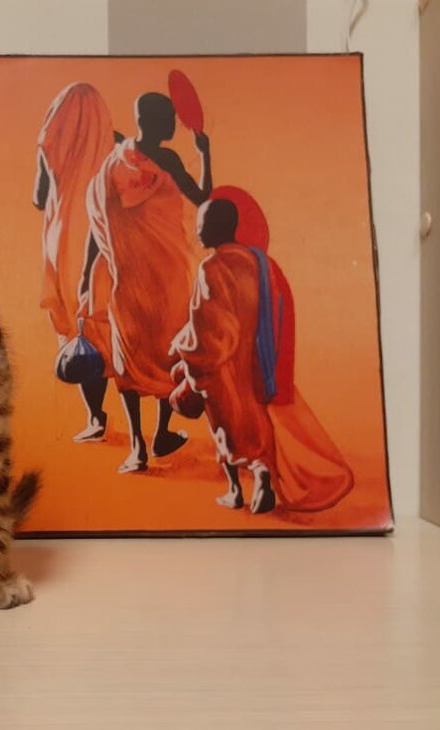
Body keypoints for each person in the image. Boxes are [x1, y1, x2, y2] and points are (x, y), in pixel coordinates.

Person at [169, 194, 354, 513]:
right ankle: (262, 475)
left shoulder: (211, 267)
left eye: (202, 225)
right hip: (253, 361)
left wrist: (182, 347)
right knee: (256, 424)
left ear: (218, 228)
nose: (198, 231)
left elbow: (208, 325)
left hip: (222, 367)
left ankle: (235, 490)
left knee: (225, 428)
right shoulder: (255, 261)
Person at [83, 92, 212, 473]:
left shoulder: (113, 165)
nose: (173, 124)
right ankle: (152, 438)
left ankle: (144, 444)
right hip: (159, 277)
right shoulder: (158, 161)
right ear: (149, 120)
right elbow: (203, 198)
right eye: (169, 117)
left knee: (137, 358)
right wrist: (204, 154)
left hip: (137, 279)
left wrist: (87, 276)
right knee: (157, 355)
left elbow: (97, 227)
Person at [33, 82, 119, 441]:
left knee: (75, 328)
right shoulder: (117, 144)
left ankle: (96, 418)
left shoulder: (50, 146)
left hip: (64, 245)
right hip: (103, 244)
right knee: (109, 324)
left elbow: (39, 198)